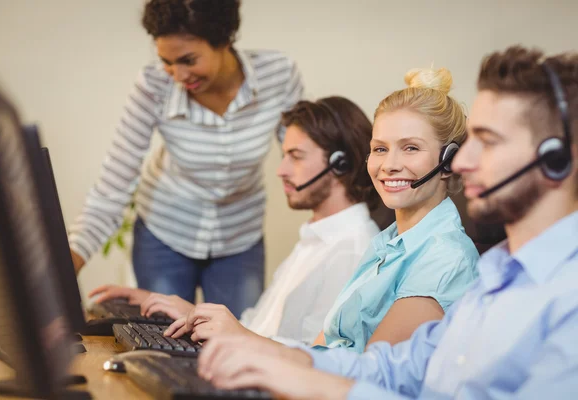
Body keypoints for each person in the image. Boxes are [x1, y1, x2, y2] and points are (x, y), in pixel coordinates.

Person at [196, 45, 578, 400]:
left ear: (556, 158)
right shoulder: (496, 272)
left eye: (489, 142)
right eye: (380, 149)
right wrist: (277, 359)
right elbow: (395, 368)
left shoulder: (562, 296)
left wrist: (295, 373)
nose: (460, 163)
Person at [163, 67, 479, 352]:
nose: (389, 165)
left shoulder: (444, 258)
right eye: (380, 149)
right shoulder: (386, 246)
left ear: (450, 161)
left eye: (410, 148)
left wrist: (242, 339)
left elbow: (370, 373)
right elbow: (322, 350)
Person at [68, 0, 304, 318]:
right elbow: (115, 183)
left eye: (188, 60)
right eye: (167, 61)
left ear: (223, 40)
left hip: (240, 236)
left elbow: (304, 156)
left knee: (239, 339)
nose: (178, 74)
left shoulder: (278, 74)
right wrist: (64, 268)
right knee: (162, 342)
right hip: (165, 233)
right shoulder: (154, 84)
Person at [90, 96, 381, 344]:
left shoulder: (351, 251)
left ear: (340, 164)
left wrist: (227, 332)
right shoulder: (315, 241)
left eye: (296, 156)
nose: (281, 170)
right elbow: (256, 326)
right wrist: (188, 310)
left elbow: (316, 359)